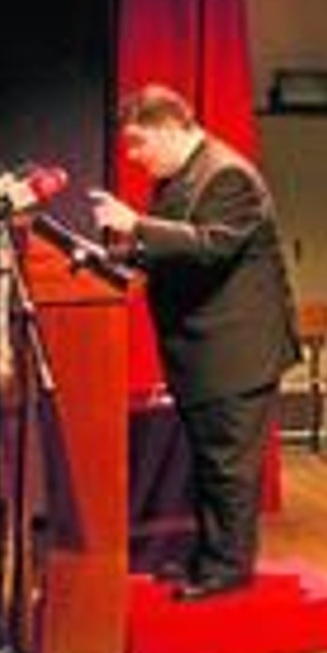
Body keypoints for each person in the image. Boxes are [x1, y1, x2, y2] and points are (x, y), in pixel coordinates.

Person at [90, 84, 299, 601]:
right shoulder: (180, 177)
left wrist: (137, 225)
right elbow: (171, 248)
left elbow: (210, 246)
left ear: (167, 128)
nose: (134, 157)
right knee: (208, 463)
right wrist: (110, 259)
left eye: (139, 143)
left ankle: (226, 570)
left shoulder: (227, 175)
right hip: (205, 351)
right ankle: (207, 558)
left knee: (228, 468)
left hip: (236, 352)